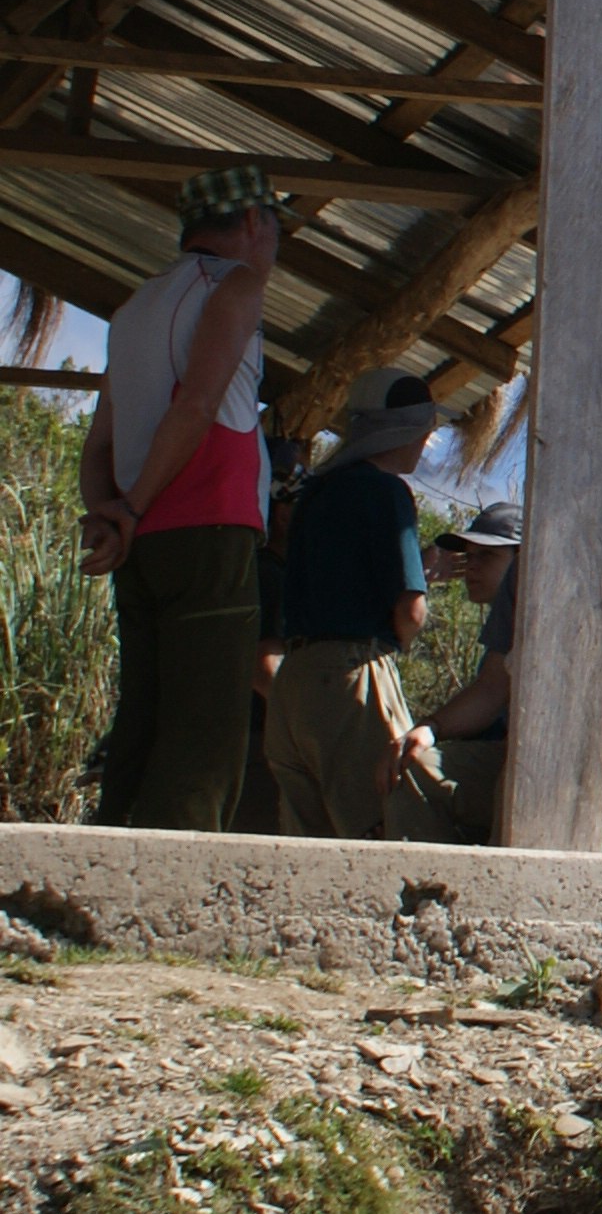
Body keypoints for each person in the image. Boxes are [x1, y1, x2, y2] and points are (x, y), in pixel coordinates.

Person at [79, 166, 279, 831]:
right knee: (205, 731)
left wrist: (112, 517)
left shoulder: (134, 308)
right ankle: (175, 888)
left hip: (141, 545)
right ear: (253, 223)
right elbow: (196, 403)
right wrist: (132, 508)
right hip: (208, 528)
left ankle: (109, 856)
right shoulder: (235, 285)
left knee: (143, 715)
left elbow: (99, 444)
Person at [261, 371, 439, 838]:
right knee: (380, 827)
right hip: (351, 672)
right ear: (408, 433)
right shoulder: (387, 492)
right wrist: (397, 640)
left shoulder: (316, 493)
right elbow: (411, 608)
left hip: (294, 683)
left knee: (307, 843)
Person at [385, 501, 523, 842]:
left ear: (524, 558)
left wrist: (431, 728)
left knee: (419, 771)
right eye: (468, 557)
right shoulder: (502, 622)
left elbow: (492, 692)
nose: (471, 568)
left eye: (487, 556)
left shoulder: (534, 605)